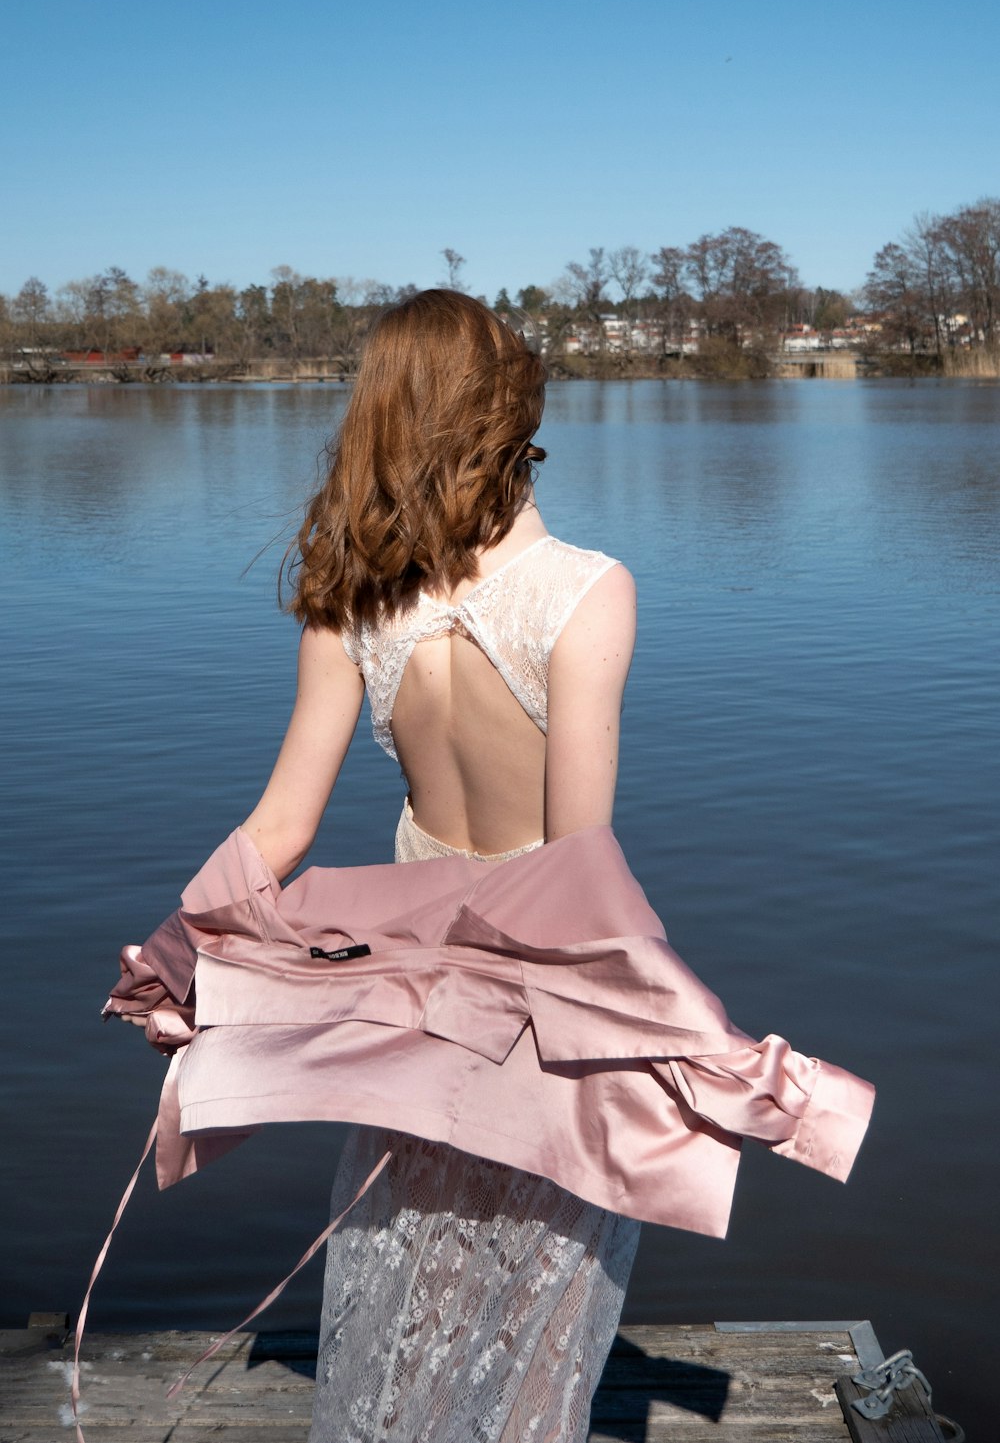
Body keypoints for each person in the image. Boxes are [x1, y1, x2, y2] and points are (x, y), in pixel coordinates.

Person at [241, 287, 643, 1441]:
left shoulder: (354, 595)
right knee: (535, 1298)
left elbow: (280, 828)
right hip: (536, 985)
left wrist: (183, 940)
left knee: (409, 1271)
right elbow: (578, 863)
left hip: (412, 980)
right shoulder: (584, 591)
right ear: (511, 416)